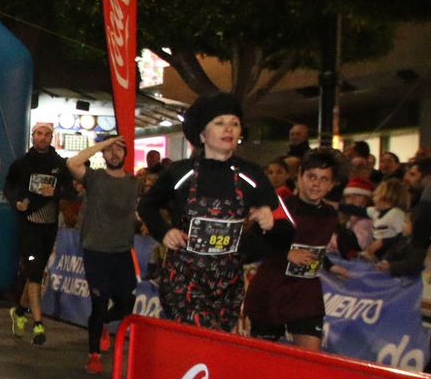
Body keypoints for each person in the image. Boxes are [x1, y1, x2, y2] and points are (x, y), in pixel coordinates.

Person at [138, 93, 275, 332]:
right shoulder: (180, 172)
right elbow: (146, 206)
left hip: (228, 282)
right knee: (199, 338)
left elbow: (283, 221)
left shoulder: (252, 175)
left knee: (215, 347)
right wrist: (165, 231)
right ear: (202, 133)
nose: (228, 129)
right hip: (185, 277)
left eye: (234, 123)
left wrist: (268, 217)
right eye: (219, 123)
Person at [245, 152, 341, 352]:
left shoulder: (330, 215)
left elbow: (314, 247)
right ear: (299, 177)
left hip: (306, 293)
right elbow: (248, 244)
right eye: (311, 177)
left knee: (310, 360)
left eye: (324, 179)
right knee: (263, 361)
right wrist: (285, 253)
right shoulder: (279, 207)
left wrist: (330, 265)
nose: (316, 184)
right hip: (271, 290)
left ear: (331, 185)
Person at [66, 136, 137, 374]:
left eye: (119, 149)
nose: (114, 154)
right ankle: (93, 354)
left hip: (122, 251)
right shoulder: (95, 178)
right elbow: (73, 164)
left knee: (127, 303)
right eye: (109, 150)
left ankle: (106, 322)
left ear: (126, 154)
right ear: (103, 155)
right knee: (98, 302)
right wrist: (101, 144)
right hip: (96, 250)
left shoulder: (133, 182)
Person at [3, 122, 67, 345]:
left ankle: (20, 310)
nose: (42, 138)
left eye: (46, 134)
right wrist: (16, 202)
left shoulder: (59, 164)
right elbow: (8, 186)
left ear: (51, 137)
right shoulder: (22, 163)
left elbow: (71, 189)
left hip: (49, 226)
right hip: (28, 224)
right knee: (35, 270)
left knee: (35, 272)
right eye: (38, 134)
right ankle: (38, 324)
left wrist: (57, 191)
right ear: (32, 136)